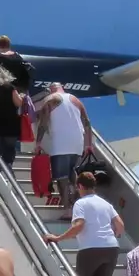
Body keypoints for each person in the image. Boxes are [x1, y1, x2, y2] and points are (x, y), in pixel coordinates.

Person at [45, 171, 123, 276]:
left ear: (80, 186)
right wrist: (113, 235)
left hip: (90, 249)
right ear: (93, 185)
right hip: (111, 248)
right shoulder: (105, 204)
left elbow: (79, 225)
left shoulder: (80, 203)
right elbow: (120, 225)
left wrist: (58, 238)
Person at [36, 82, 91, 222]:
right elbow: (87, 122)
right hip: (77, 143)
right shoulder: (75, 100)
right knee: (75, 178)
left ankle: (68, 211)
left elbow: (42, 122)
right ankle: (79, 210)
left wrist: (38, 142)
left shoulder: (51, 99)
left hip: (60, 144)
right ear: (63, 88)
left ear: (51, 90)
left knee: (62, 179)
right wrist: (88, 144)